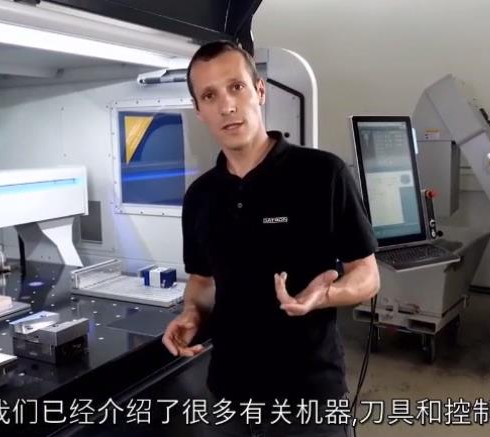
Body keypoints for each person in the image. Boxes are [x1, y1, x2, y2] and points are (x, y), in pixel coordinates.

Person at [162, 40, 380, 436]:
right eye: (210, 96)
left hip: (309, 403)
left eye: (236, 87)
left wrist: (323, 295)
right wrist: (192, 313)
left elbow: (367, 275)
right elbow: (203, 281)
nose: (227, 106)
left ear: (259, 91)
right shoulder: (200, 197)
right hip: (229, 399)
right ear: (199, 110)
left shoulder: (322, 175)